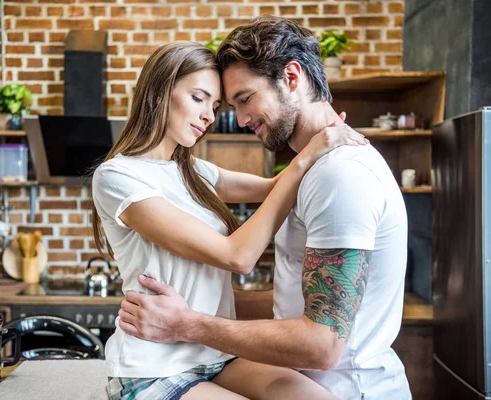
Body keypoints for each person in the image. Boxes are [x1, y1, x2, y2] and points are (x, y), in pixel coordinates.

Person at [117, 16, 412, 400]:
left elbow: (322, 344)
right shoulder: (315, 170)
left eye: (243, 99)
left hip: (348, 389)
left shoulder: (339, 176)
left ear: (291, 77)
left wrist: (189, 324)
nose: (239, 120)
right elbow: (297, 300)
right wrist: (195, 303)